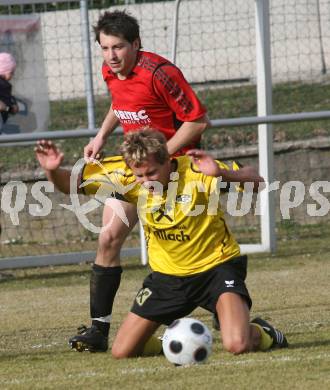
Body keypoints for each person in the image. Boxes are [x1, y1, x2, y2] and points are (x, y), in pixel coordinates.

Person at [35, 130, 288, 358]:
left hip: (216, 268)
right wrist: (52, 170)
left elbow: (258, 182)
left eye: (152, 173)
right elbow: (71, 185)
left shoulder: (197, 170)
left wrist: (223, 173)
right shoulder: (124, 175)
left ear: (168, 160)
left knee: (237, 344)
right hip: (167, 277)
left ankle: (264, 332)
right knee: (122, 351)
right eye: (140, 175)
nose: (147, 181)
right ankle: (171, 341)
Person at [72, 10, 209, 352]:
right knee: (108, 237)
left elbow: (197, 122)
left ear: (136, 44)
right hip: (137, 171)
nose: (111, 56)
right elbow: (121, 104)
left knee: (184, 251)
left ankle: (228, 308)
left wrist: (160, 158)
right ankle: (98, 330)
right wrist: (101, 135)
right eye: (104, 48)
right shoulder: (110, 70)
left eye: (117, 47)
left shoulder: (161, 73)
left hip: (175, 171)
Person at [0, 52, 19, 133]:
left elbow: (8, 97)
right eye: (11, 72)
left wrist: (12, 105)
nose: (12, 75)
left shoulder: (5, 85)